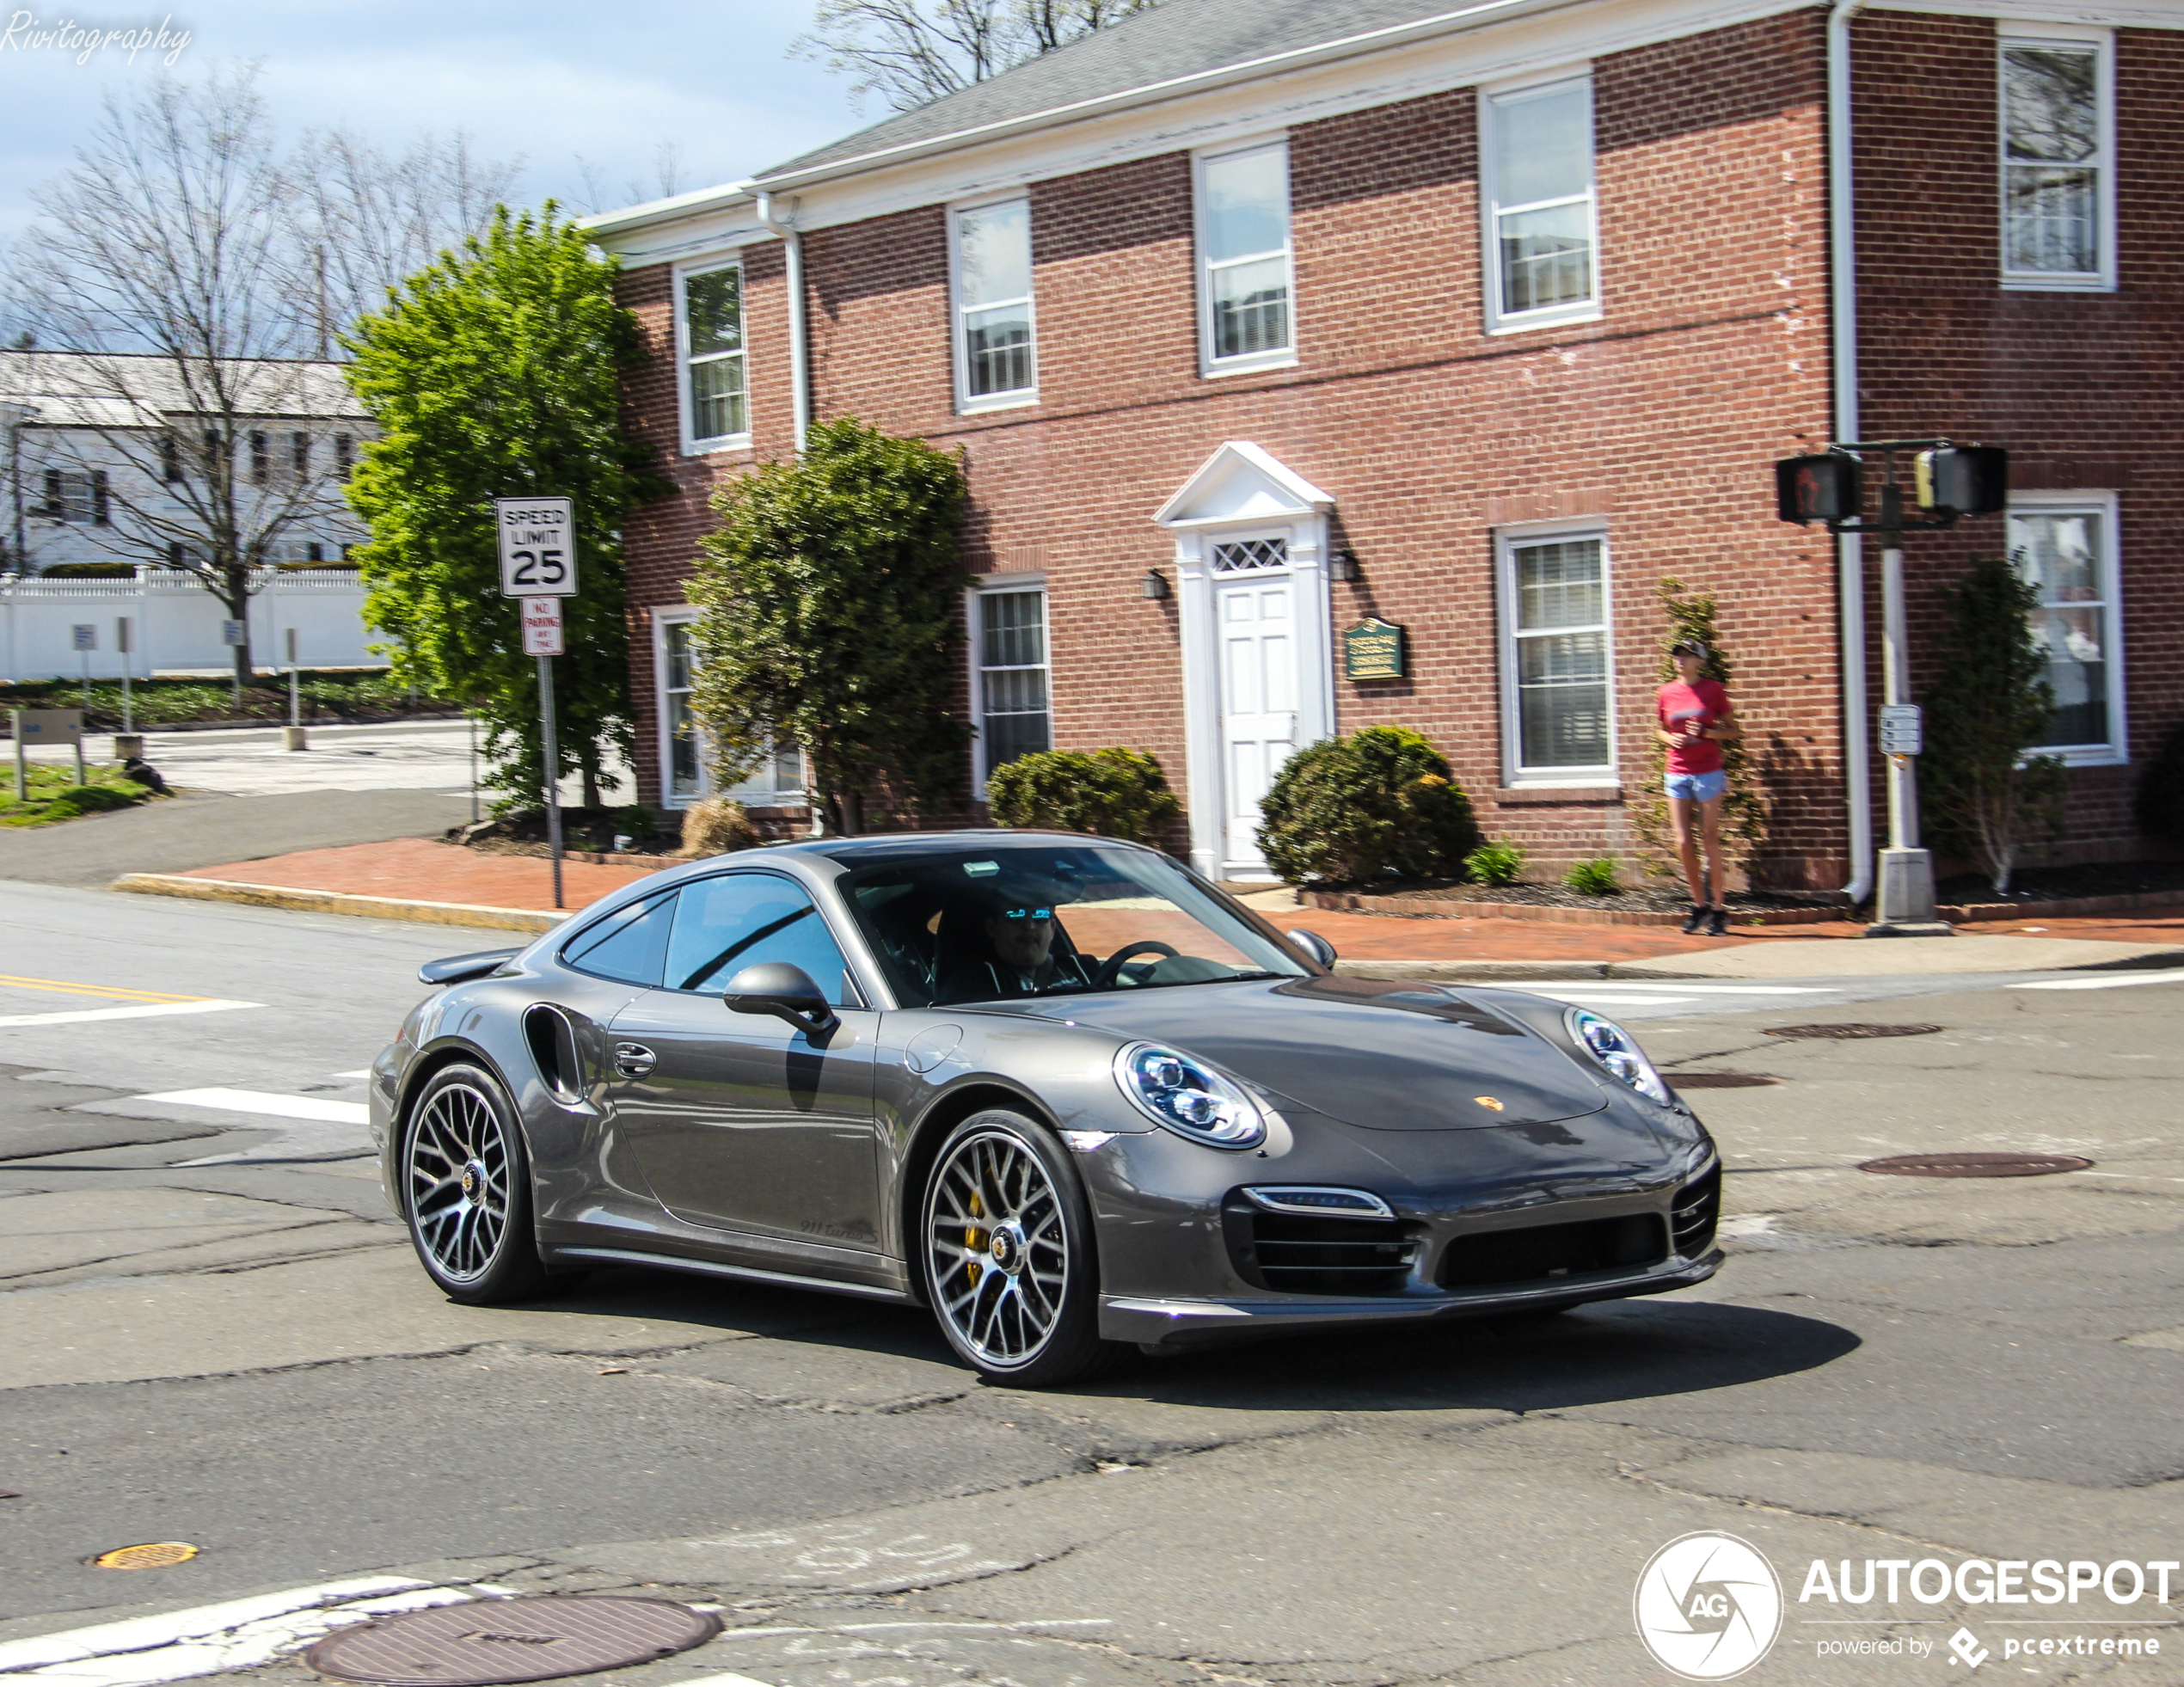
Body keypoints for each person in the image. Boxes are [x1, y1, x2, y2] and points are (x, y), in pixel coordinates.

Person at [1657, 638, 1740, 936]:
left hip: (1708, 772)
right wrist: (1670, 739)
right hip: (1677, 772)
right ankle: (1699, 905)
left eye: (1686, 655)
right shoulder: (1666, 691)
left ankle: (1719, 909)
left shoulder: (1713, 689)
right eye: (1677, 655)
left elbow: (1734, 730)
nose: (1679, 660)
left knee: (1709, 839)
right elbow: (1660, 730)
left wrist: (1707, 733)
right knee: (1682, 841)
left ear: (1699, 661)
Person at [936, 876, 1089, 1001]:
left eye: (1040, 915)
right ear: (992, 927)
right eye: (1016, 915)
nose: (1029, 926)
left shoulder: (1084, 968)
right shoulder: (970, 985)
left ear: (1052, 928)